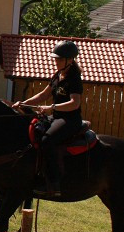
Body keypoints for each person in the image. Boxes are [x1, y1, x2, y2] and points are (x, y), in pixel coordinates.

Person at [13, 40, 83, 199]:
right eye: (55, 58)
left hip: (70, 120)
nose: (55, 61)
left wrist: (52, 108)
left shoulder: (74, 78)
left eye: (59, 59)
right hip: (57, 117)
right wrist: (23, 103)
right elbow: (43, 95)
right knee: (34, 131)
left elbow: (74, 103)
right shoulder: (57, 75)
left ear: (70, 60)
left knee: (47, 140)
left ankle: (53, 184)